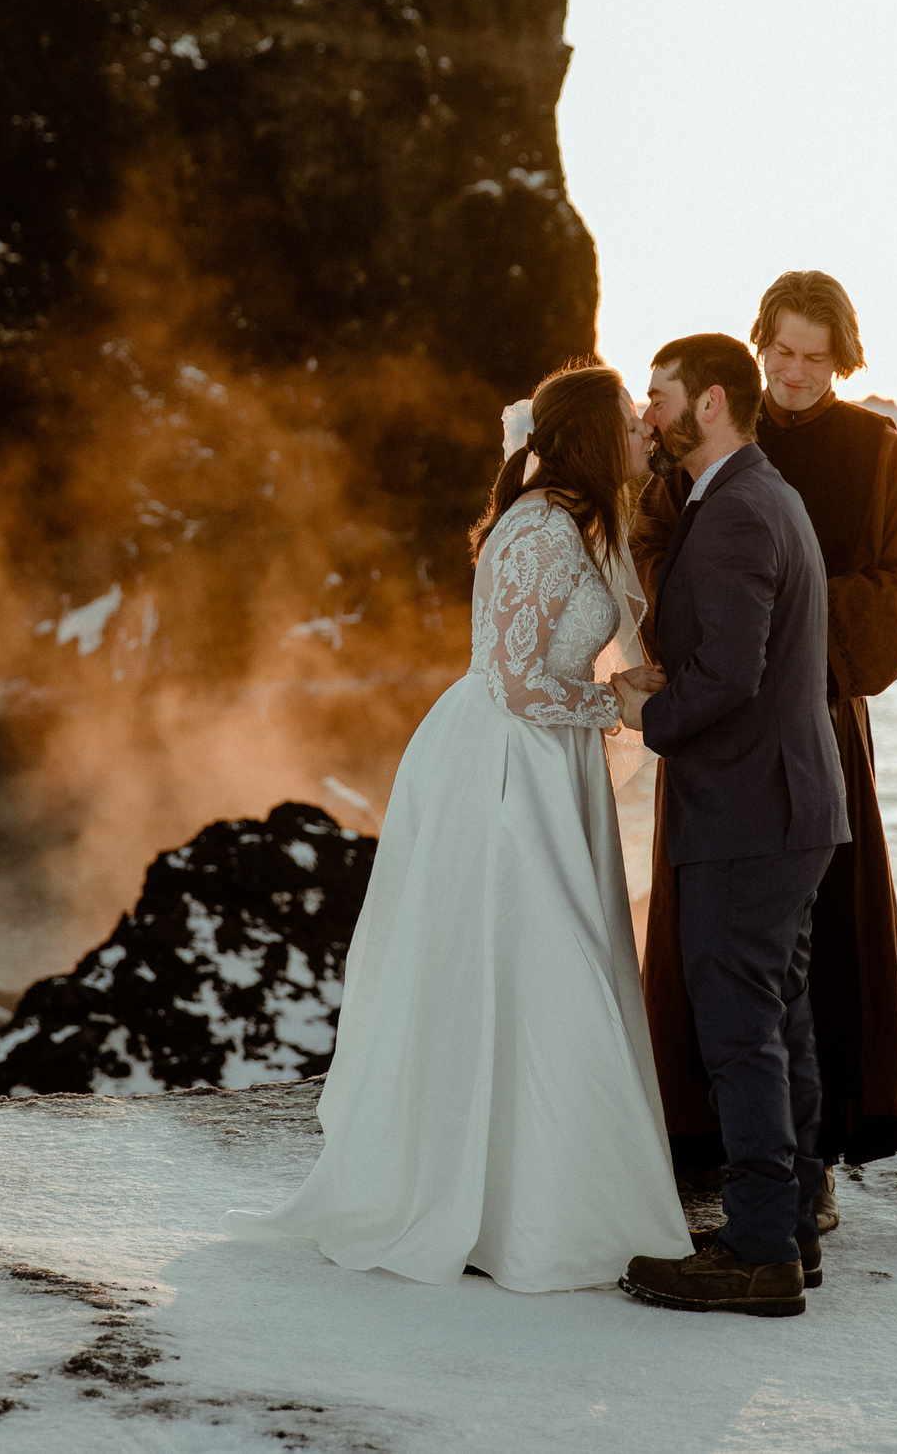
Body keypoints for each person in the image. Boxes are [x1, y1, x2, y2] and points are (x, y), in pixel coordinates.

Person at [226, 363, 690, 1292]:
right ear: (597, 438)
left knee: (540, 966)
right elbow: (516, 681)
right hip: (505, 764)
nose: (647, 432)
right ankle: (508, 1206)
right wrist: (612, 706)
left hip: (544, 760)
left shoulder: (577, 522)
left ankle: (534, 1193)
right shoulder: (543, 530)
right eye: (633, 425)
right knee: (528, 960)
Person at [630, 273, 897, 1207]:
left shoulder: (873, 450)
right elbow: (650, 542)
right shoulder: (710, 434)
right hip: (715, 723)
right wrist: (710, 634)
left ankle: (804, 1172)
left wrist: (786, 634)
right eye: (782, 352)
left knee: (813, 957)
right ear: (758, 343)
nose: (797, 373)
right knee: (714, 948)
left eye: (816, 357)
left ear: (839, 359)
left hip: (815, 725)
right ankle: (720, 1149)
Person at [613, 333, 848, 1319]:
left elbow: (733, 674)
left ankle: (758, 1255)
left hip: (750, 812)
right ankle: (786, 1229)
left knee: (742, 1029)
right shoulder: (757, 496)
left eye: (660, 396)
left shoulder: (739, 510)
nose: (650, 414)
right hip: (787, 806)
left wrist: (645, 712)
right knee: (779, 1020)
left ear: (710, 402)